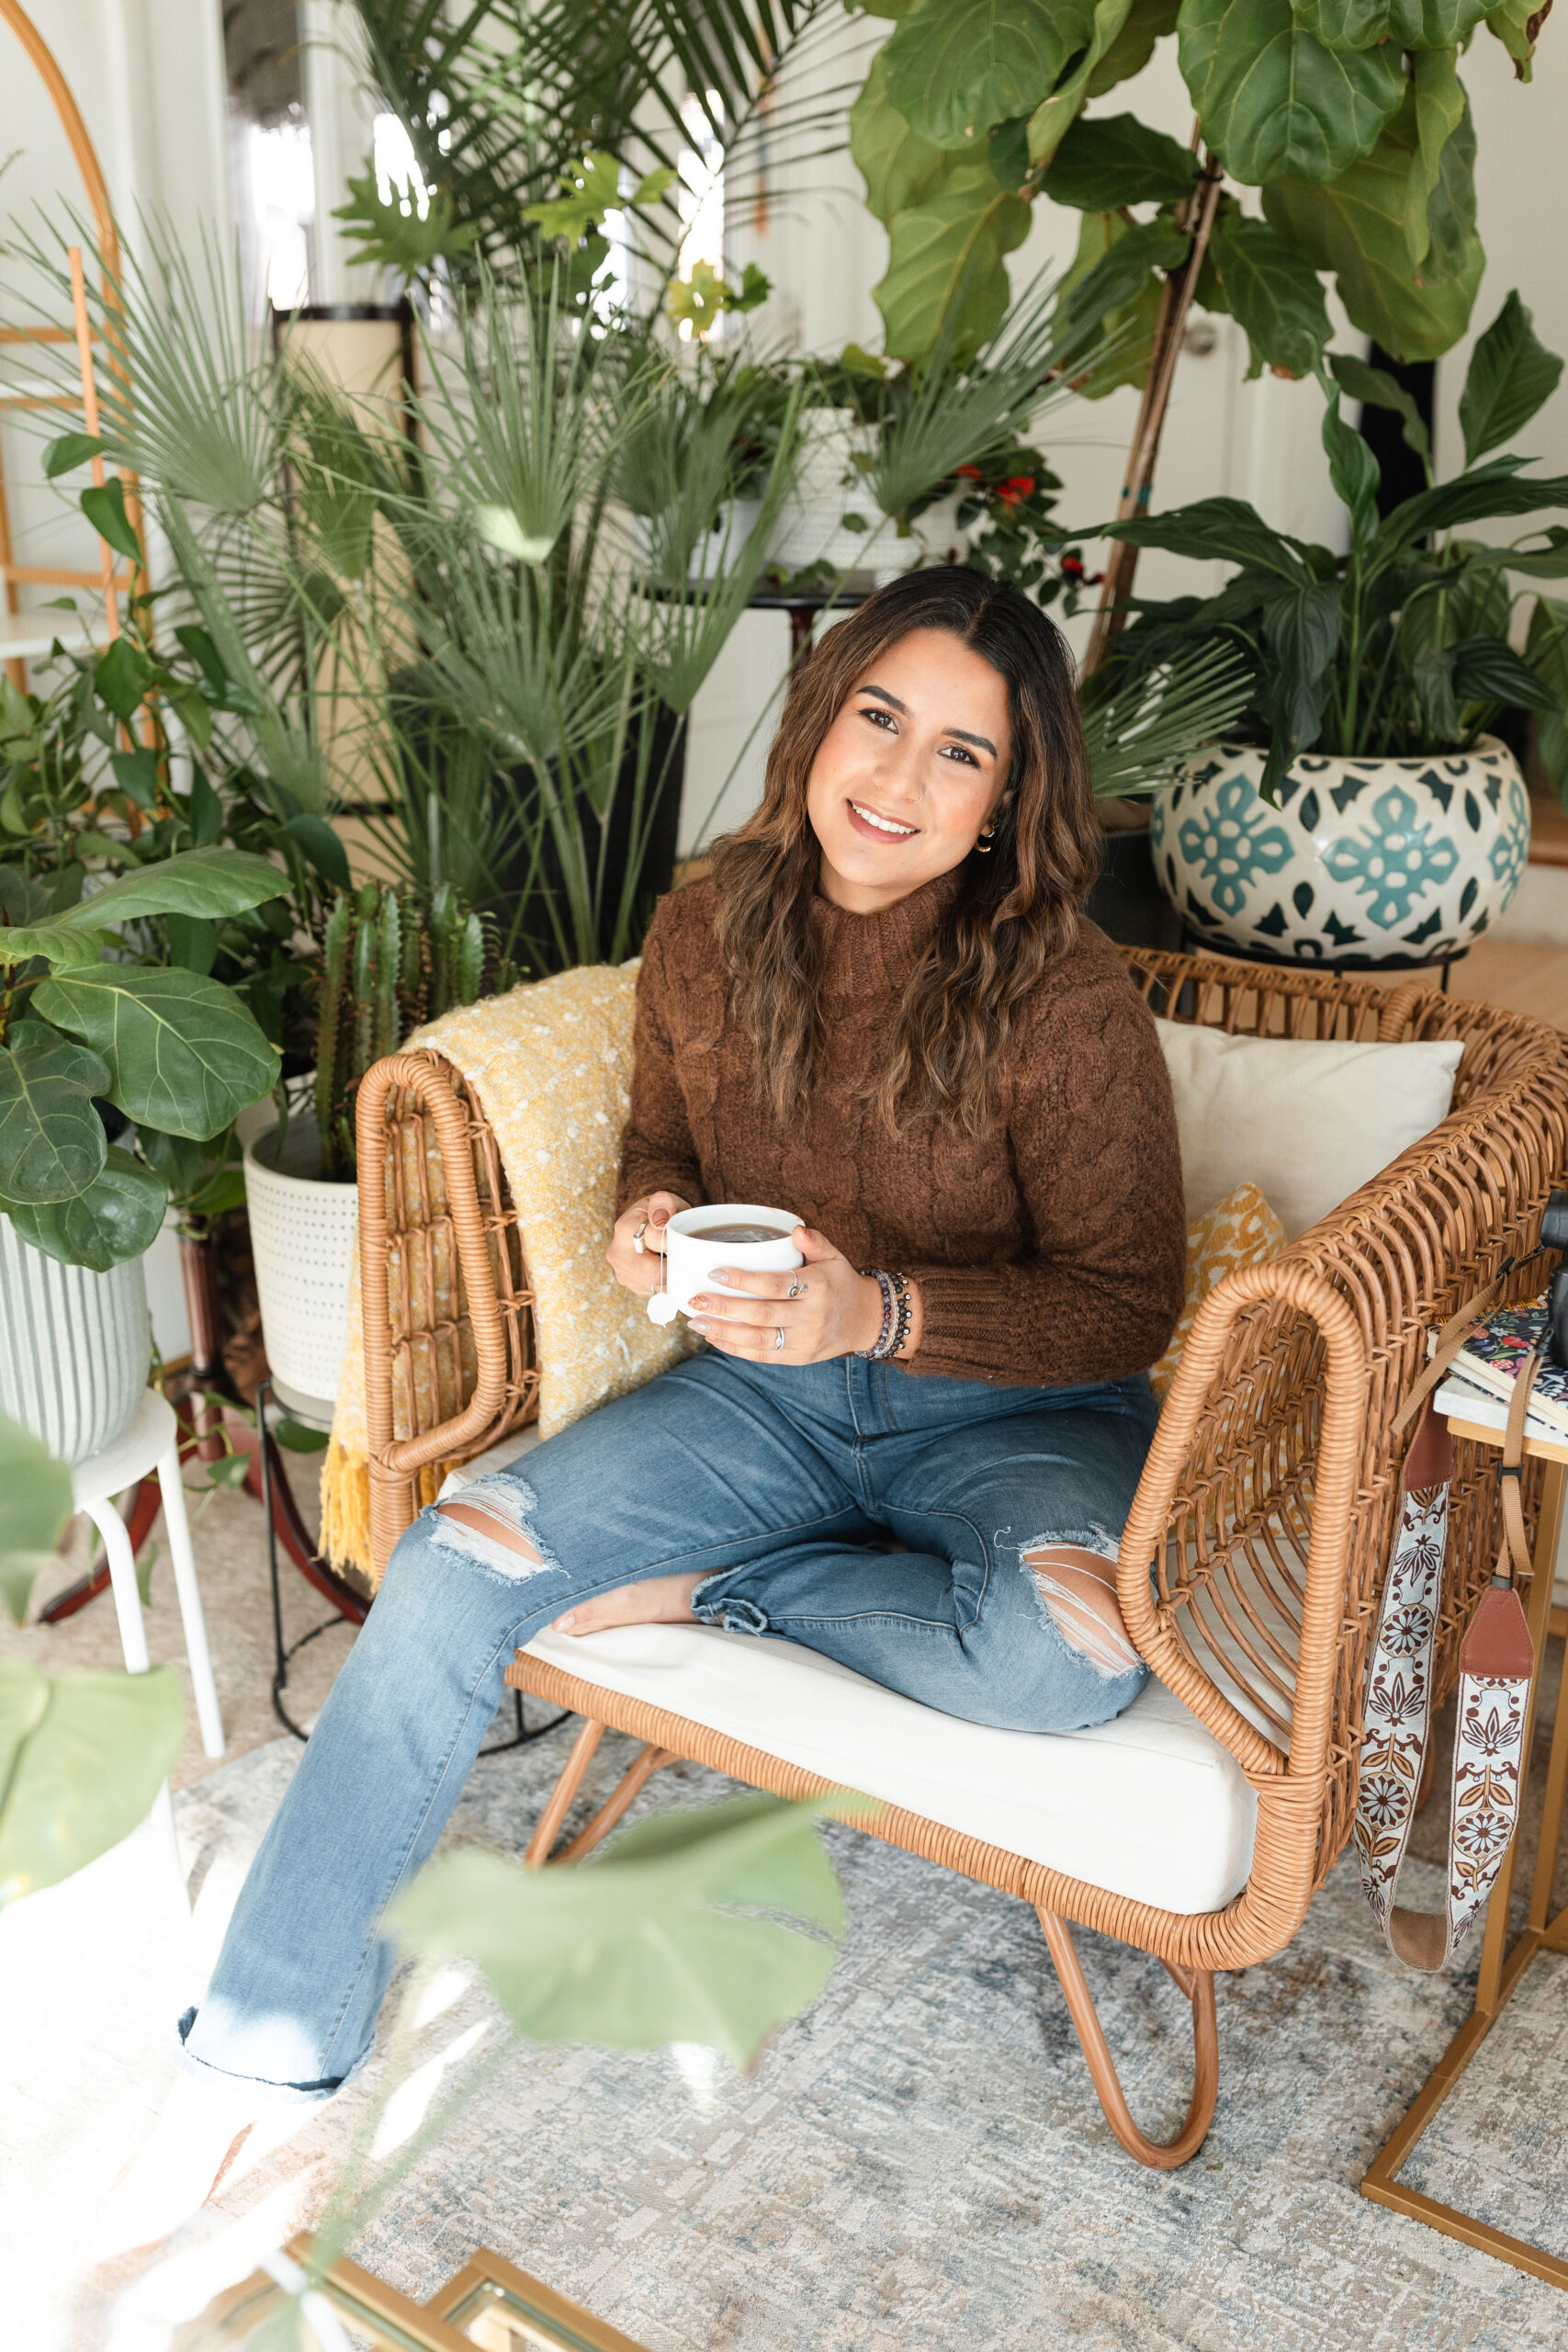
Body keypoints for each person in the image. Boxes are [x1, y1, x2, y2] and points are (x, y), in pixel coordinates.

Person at [94, 566, 1185, 2252]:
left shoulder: (1065, 998)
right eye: (880, 717)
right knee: (459, 1560)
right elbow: (663, 1145)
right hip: (767, 1397)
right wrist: (649, 1217)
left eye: (960, 755)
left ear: (1005, 805)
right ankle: (264, 2045)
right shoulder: (709, 921)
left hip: (1017, 1411)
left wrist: (883, 1307)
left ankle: (735, 1592)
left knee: (1069, 1657)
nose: (896, 780)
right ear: (823, 718)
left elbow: (1127, 1301)